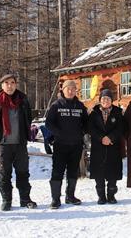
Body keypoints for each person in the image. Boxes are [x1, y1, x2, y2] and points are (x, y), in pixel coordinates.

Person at [0, 73, 37, 211]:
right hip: (3, 144)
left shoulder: (23, 99)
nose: (10, 85)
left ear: (15, 84)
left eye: (12, 82)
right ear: (2, 85)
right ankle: (6, 200)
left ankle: (25, 199)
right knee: (4, 174)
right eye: (6, 83)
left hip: (20, 143)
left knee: (23, 172)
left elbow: (28, 118)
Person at [46, 80, 88, 209]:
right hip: (60, 145)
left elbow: (86, 123)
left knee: (73, 171)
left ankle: (70, 196)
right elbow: (49, 123)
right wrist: (59, 133)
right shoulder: (56, 105)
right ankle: (55, 199)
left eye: (73, 89)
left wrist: (81, 133)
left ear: (76, 91)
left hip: (76, 145)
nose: (70, 91)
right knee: (57, 171)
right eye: (67, 88)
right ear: (62, 90)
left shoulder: (80, 106)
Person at [88, 89, 123, 205]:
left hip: (113, 147)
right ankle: (101, 196)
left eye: (108, 98)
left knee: (112, 172)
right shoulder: (94, 113)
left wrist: (110, 138)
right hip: (98, 147)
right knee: (99, 173)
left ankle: (111, 195)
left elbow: (121, 128)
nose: (105, 101)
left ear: (112, 100)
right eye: (103, 98)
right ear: (100, 100)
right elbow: (91, 128)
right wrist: (101, 138)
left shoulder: (118, 112)